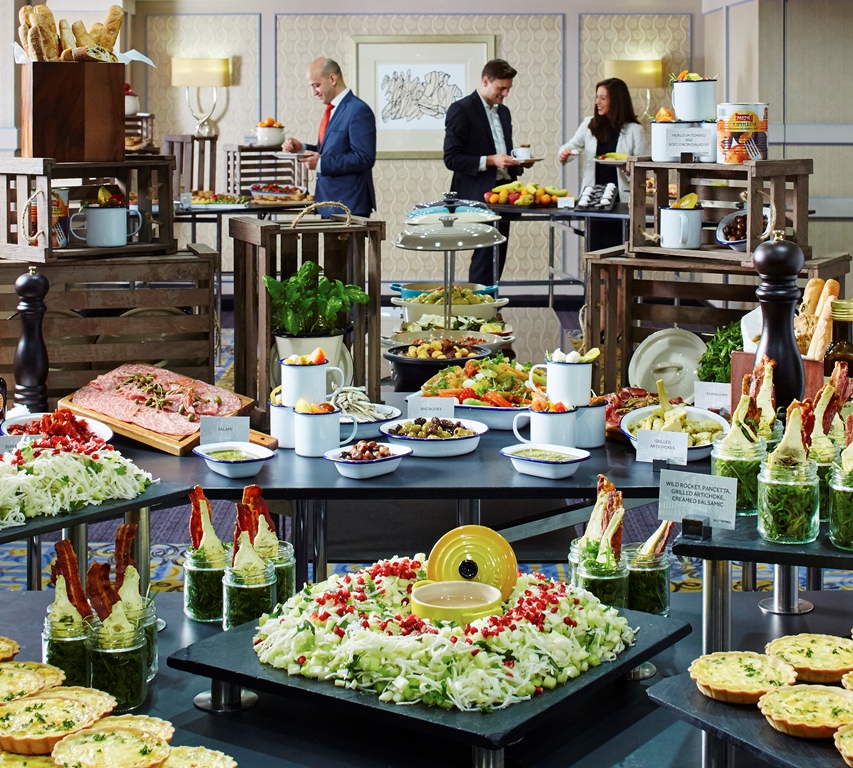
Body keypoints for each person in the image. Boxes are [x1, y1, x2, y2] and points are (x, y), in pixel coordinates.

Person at [443, 58, 532, 286]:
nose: (505, 94)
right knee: (484, 257)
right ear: (485, 81)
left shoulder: (504, 113)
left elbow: (502, 152)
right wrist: (490, 161)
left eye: (508, 89)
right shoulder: (461, 109)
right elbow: (451, 158)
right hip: (478, 196)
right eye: (501, 88)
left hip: (504, 195)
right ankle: (479, 312)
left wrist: (519, 162)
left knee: (498, 255)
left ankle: (489, 308)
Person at [558, 77, 648, 251]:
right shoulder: (589, 125)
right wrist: (564, 153)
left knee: (620, 251)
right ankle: (595, 279)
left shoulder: (634, 130)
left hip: (622, 201)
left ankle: (620, 279)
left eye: (603, 98)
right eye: (597, 97)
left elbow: (641, 170)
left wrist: (625, 167)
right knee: (595, 249)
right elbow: (570, 146)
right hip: (594, 198)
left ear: (616, 101)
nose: (597, 102)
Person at [283, 58, 376, 218]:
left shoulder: (358, 110)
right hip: (329, 204)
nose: (314, 92)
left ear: (332, 79)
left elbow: (364, 158)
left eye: (316, 85)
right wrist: (303, 148)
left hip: (349, 206)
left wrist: (321, 163)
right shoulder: (333, 109)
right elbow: (331, 151)